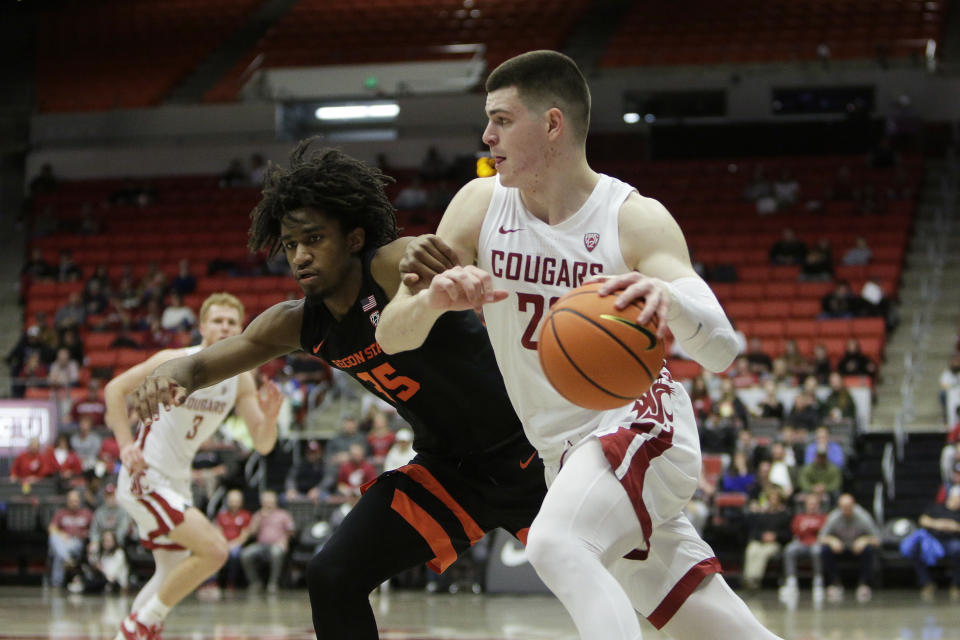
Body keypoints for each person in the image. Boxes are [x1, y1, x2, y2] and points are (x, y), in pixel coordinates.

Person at [376, 50, 782, 640]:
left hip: (640, 422)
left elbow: (723, 347)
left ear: (552, 124)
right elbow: (391, 335)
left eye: (502, 119)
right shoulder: (479, 204)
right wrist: (434, 299)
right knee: (708, 621)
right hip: (560, 452)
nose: (487, 135)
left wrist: (670, 302)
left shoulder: (634, 219)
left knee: (557, 543)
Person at [126, 143, 547, 639]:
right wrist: (170, 375)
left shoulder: (388, 265)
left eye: (314, 238)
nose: (301, 255)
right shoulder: (299, 323)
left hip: (531, 455)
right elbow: (202, 365)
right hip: (450, 474)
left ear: (354, 238)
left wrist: (417, 252)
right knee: (332, 575)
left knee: (633, 578)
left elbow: (409, 254)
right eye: (290, 244)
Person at [105, 293, 282, 640]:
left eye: (231, 322)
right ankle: (139, 626)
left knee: (169, 575)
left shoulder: (242, 378)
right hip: (146, 475)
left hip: (178, 481)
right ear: (202, 327)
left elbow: (262, 443)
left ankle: (136, 629)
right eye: (217, 321)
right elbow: (114, 390)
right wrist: (126, 446)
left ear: (241, 329)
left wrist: (271, 418)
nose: (224, 327)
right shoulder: (174, 360)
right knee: (215, 550)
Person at [818, 493, 881, 603]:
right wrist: (832, 540)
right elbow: (820, 538)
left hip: (858, 548)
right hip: (840, 548)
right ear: (839, 507)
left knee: (869, 550)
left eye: (849, 507)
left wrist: (864, 540)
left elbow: (878, 539)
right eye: (843, 507)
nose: (846, 510)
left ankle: (864, 585)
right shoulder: (833, 517)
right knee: (826, 550)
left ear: (854, 505)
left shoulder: (863, 516)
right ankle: (834, 584)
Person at [239, 490, 294, 593]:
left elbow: (291, 531)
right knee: (245, 554)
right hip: (261, 545)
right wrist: (259, 517)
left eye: (270, 501)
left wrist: (285, 541)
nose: (268, 503)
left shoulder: (283, 514)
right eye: (266, 501)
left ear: (275, 501)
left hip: (277, 545)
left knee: (276, 552)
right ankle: (255, 582)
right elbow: (253, 532)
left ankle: (273, 583)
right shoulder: (258, 515)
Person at [778, 493, 827, 605]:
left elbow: (823, 531)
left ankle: (818, 582)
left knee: (817, 551)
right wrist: (812, 529)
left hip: (816, 543)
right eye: (810, 504)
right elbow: (796, 531)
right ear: (805, 505)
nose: (812, 506)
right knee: (789, 550)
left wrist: (808, 528)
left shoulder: (823, 517)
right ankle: (791, 582)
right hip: (801, 543)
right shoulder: (799, 517)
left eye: (814, 504)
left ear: (818, 505)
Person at [48, 489, 94, 589]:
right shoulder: (61, 513)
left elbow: (94, 529)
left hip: (78, 542)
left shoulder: (87, 513)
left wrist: (87, 537)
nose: (74, 503)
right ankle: (66, 558)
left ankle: (56, 584)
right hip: (63, 541)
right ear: (67, 501)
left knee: (57, 552)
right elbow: (51, 528)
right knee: (54, 538)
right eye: (71, 501)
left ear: (80, 501)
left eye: (76, 501)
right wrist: (62, 534)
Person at [214, 489, 252, 590]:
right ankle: (211, 582)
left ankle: (231, 581)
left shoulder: (246, 515)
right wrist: (224, 543)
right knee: (213, 552)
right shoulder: (221, 515)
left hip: (237, 544)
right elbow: (218, 532)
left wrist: (231, 545)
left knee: (234, 554)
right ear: (227, 501)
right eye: (232, 501)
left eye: (236, 501)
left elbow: (244, 536)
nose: (234, 504)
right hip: (223, 543)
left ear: (241, 502)